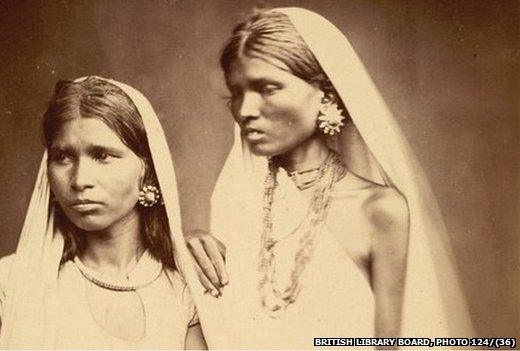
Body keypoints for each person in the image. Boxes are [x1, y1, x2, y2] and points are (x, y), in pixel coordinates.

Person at [182, 7, 474, 348]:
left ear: (326, 93)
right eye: (237, 93)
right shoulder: (236, 202)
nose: (246, 110)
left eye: (268, 88)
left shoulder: (380, 210)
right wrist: (181, 255)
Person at [0, 76, 206, 349]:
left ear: (147, 172)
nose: (80, 179)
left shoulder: (186, 288)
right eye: (63, 157)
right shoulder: (8, 285)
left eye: (102, 156)